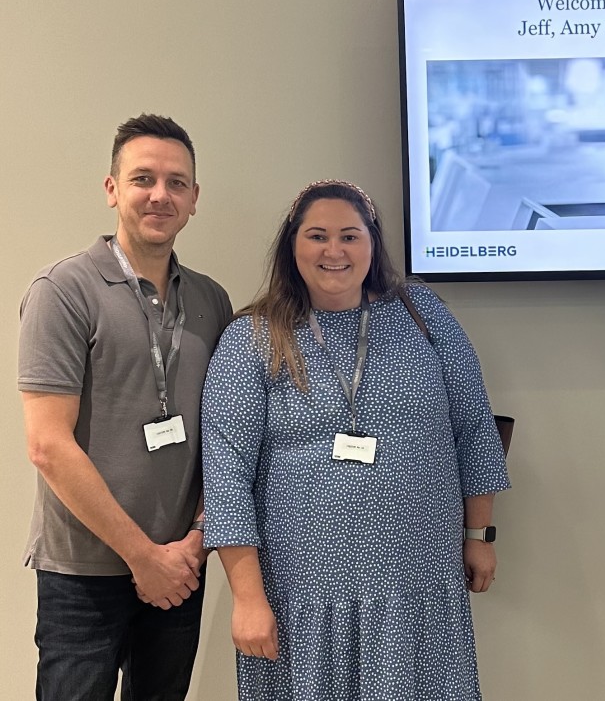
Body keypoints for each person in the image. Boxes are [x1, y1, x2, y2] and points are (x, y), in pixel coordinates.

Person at [201, 179, 511, 699]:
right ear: (292, 246)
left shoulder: (424, 316)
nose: (334, 251)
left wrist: (478, 536)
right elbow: (226, 471)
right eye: (317, 236)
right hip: (302, 588)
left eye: (350, 236)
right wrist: (248, 598)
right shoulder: (254, 335)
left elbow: (473, 427)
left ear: (372, 243)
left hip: (416, 582)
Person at [18, 113, 233, 699]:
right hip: (84, 574)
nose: (160, 195)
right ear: (112, 189)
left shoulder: (212, 301)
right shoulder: (63, 291)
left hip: (180, 568)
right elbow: (47, 446)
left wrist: (194, 542)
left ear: (194, 200)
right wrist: (143, 558)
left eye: (177, 182)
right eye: (143, 179)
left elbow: (227, 435)